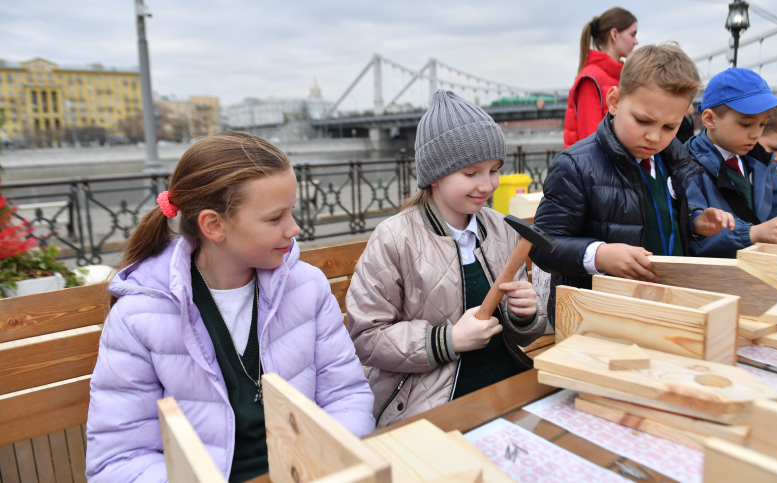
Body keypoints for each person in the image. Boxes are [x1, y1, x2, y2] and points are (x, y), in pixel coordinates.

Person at [86, 132, 374, 482]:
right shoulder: (138, 317)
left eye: (292, 212)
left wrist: (327, 467)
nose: (294, 229)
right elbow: (119, 460)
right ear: (214, 225)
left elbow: (347, 397)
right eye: (275, 218)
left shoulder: (307, 286)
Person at [347, 90, 548, 429]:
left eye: (495, 170)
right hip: (431, 403)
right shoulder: (394, 238)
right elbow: (366, 337)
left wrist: (526, 314)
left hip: (507, 384)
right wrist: (449, 339)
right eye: (471, 173)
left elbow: (524, 336)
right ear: (435, 174)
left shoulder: (501, 228)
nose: (487, 185)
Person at [530, 43, 735, 324]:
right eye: (643, 121)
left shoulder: (674, 158)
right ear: (614, 101)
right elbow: (542, 246)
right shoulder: (575, 165)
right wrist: (600, 254)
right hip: (599, 317)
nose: (654, 137)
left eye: (669, 127)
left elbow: (660, 218)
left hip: (665, 306)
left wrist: (695, 222)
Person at [685, 68, 777, 258]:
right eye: (746, 124)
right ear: (710, 119)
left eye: (762, 124)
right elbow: (689, 238)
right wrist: (752, 234)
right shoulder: (685, 164)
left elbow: (771, 217)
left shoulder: (762, 162)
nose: (756, 134)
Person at [563, 7, 638, 148]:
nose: (636, 41)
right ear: (614, 34)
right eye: (632, 34)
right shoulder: (591, 79)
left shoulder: (621, 77)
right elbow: (589, 143)